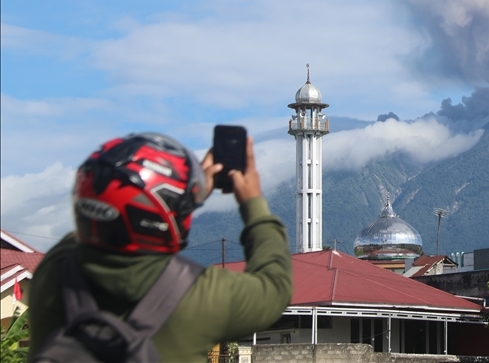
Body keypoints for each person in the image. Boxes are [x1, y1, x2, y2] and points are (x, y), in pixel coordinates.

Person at [28, 132, 293, 362]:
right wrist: (253, 202)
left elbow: (93, 226)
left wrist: (180, 201)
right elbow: (275, 285)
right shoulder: (203, 295)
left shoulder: (53, 275)